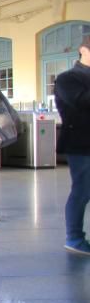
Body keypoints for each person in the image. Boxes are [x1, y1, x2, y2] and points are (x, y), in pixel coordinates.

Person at [55, 36, 90, 256]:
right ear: (83, 50)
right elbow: (82, 101)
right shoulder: (68, 78)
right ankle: (74, 237)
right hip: (82, 144)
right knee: (83, 189)